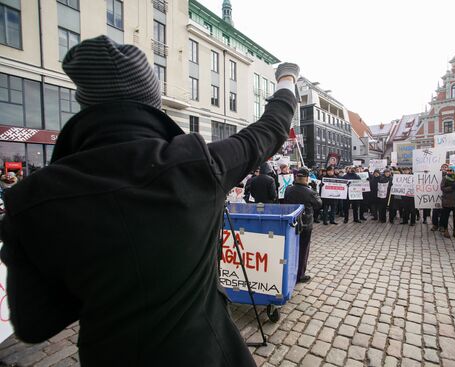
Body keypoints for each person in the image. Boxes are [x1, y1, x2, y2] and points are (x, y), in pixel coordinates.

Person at [0, 35, 299, 366]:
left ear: (85, 106)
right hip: (206, 356)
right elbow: (270, 129)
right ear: (151, 103)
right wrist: (286, 80)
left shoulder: (28, 201)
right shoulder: (198, 165)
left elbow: (32, 324)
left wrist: (95, 277)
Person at [283, 168, 322, 283]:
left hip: (291, 223)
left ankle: (290, 271)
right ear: (306, 178)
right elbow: (319, 204)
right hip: (305, 225)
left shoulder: (288, 189)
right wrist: (315, 189)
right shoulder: (310, 192)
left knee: (291, 248)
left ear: (296, 177)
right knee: (303, 250)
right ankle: (300, 274)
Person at [440, 166, 455, 238]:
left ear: (454, 171)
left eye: (451, 170)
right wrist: (452, 187)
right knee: (445, 217)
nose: (449, 171)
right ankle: (446, 230)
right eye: (448, 170)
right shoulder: (445, 178)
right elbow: (442, 188)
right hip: (447, 200)